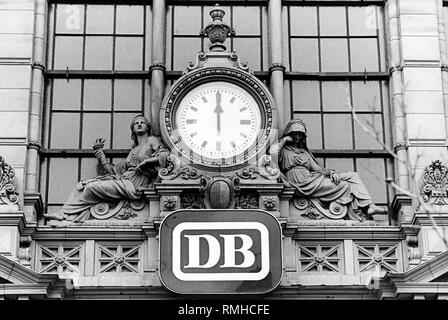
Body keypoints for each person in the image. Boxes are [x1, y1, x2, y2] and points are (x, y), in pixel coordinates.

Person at [44, 115, 169, 222]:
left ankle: (67, 214)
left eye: (142, 122)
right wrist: (101, 154)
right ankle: (65, 213)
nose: (139, 124)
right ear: (133, 129)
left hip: (135, 184)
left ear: (148, 127)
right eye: (136, 123)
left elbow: (164, 155)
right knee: (82, 186)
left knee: (91, 188)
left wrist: (147, 161)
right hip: (124, 181)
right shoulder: (133, 150)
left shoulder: (152, 140)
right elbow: (114, 171)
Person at [275, 119, 387, 217]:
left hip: (311, 179)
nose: (297, 137)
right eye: (295, 133)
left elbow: (317, 169)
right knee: (345, 186)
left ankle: (369, 206)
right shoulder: (284, 150)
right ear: (289, 133)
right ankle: (363, 208)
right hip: (300, 182)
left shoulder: (304, 152)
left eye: (300, 134)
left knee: (353, 175)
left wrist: (331, 173)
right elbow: (271, 156)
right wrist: (284, 141)